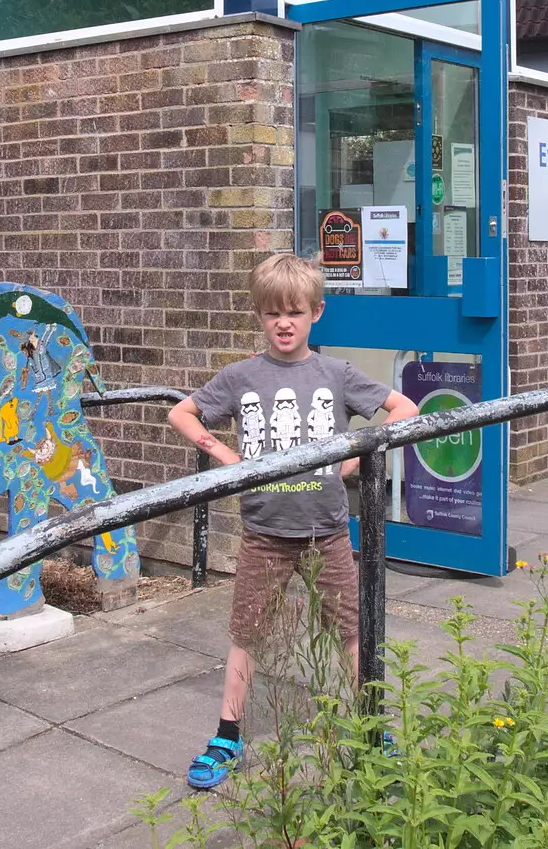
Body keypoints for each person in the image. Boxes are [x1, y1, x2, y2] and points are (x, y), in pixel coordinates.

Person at [167, 253, 418, 790]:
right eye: (272, 312)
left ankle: (373, 728)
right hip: (263, 537)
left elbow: (405, 410)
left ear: (316, 313)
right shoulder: (240, 377)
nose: (284, 322)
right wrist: (228, 459)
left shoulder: (336, 374)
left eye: (295, 312)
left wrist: (352, 459)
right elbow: (181, 413)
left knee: (353, 633)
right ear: (259, 315)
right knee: (247, 635)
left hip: (326, 533)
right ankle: (227, 735)